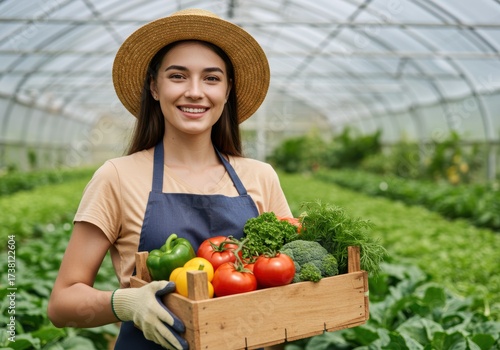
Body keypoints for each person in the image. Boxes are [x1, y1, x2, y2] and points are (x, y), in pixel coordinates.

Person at [47, 8, 292, 350]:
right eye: (177, 76)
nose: (195, 92)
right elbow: (61, 304)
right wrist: (124, 304)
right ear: (154, 87)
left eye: (211, 78)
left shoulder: (260, 176)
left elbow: (285, 286)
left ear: (227, 90)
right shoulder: (117, 177)